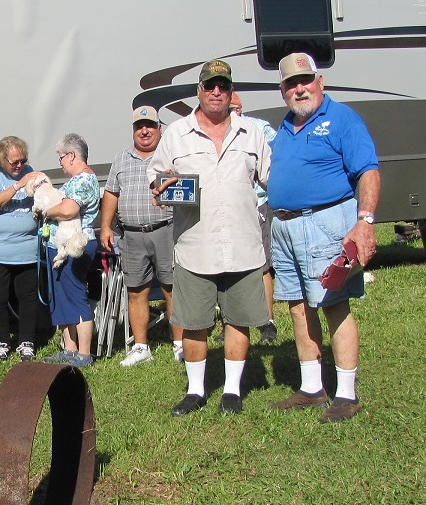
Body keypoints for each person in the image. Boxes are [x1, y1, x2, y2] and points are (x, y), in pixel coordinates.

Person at [147, 59, 271, 416]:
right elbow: (156, 176)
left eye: (223, 85)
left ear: (231, 92)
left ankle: (232, 391)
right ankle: (196, 391)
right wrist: (161, 186)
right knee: (194, 323)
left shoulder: (252, 133)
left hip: (243, 245)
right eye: (209, 85)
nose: (217, 91)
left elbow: (272, 176)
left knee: (239, 319)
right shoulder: (176, 133)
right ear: (198, 91)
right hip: (195, 247)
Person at [267, 52, 380, 422]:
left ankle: (347, 394)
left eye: (305, 80)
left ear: (320, 82)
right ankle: (312, 388)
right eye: (290, 84)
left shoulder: (341, 118)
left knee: (333, 303)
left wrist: (364, 221)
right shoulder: (286, 127)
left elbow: (368, 170)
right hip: (285, 226)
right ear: (282, 90)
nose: (299, 89)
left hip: (325, 223)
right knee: (298, 306)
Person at [100, 107, 184, 367]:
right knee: (136, 291)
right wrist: (105, 227)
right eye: (139, 126)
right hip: (132, 236)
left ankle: (179, 343)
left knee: (172, 288)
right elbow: (111, 194)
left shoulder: (172, 156)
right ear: (134, 130)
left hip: (166, 230)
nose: (144, 131)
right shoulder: (121, 159)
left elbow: (188, 188)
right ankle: (141, 346)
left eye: (150, 126)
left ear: (160, 129)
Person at [0, 136, 44, 362]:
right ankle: (3, 342)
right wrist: (18, 185)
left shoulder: (29, 171)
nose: (19, 166)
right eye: (14, 162)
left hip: (26, 248)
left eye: (22, 161)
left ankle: (26, 341)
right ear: (1, 159)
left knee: (27, 297)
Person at [41, 133, 101, 368]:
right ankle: (69, 349)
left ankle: (84, 354)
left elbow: (67, 210)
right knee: (61, 298)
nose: (61, 162)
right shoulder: (76, 180)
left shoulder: (83, 180)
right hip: (58, 246)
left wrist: (47, 211)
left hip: (75, 245)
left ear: (72, 155)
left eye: (61, 157)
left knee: (75, 296)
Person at [230, 92, 279, 343]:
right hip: (227, 213)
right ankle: (233, 321)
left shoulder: (259, 129)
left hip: (257, 206)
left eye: (233, 108)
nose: (230, 112)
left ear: (240, 108)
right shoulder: (216, 132)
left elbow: (279, 157)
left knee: (262, 265)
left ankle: (267, 322)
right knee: (231, 268)